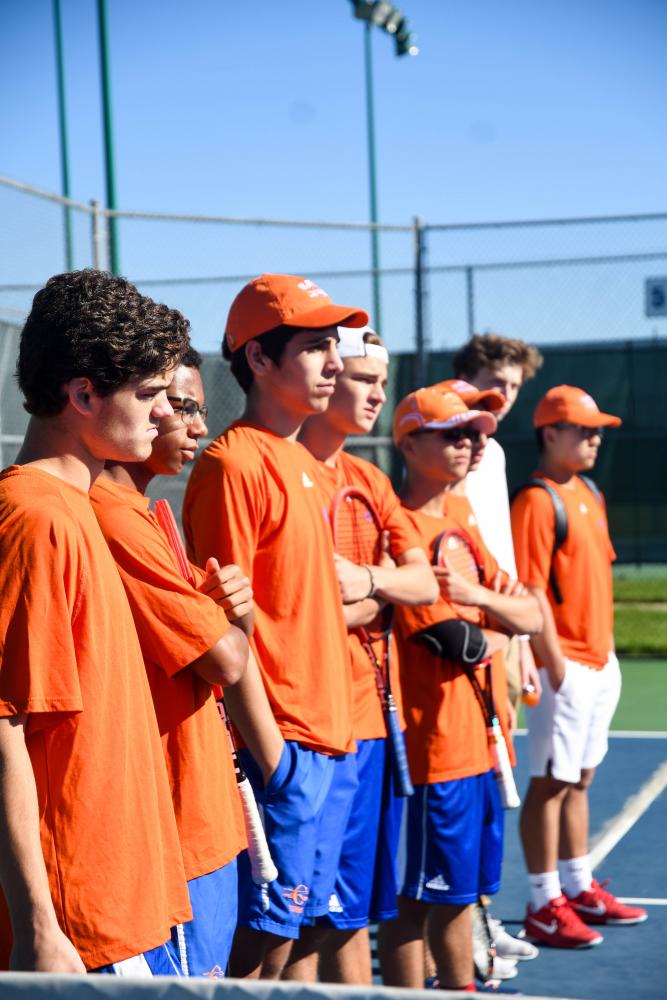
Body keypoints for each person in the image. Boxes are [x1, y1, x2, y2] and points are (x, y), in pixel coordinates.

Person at [0, 269, 192, 975]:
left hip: (119, 906)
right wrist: (39, 928)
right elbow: (4, 729)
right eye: (146, 395)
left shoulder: (79, 507)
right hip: (80, 926)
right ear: (81, 394)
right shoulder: (37, 518)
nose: (164, 414)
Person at [182, 273, 369, 980]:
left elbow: (294, 605)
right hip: (286, 748)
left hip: (329, 739)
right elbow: (226, 629)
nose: (335, 363)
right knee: (254, 952)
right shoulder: (233, 464)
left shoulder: (301, 462)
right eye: (316, 347)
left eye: (335, 346)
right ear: (258, 360)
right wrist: (276, 762)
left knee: (295, 941)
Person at [90, 347, 283, 977]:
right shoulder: (113, 517)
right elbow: (228, 659)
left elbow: (231, 640)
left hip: (202, 817)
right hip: (171, 833)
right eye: (178, 405)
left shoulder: (151, 514)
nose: (198, 426)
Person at [380, 387, 541, 992]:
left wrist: (480, 602)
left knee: (462, 892)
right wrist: (498, 621)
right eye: (453, 432)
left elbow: (532, 616)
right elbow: (458, 644)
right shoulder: (401, 529)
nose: (470, 444)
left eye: (475, 433)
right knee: (421, 900)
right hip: (433, 751)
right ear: (410, 441)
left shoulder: (461, 523)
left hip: (478, 743)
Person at [298, 325, 438, 984]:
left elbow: (421, 582)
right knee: (300, 924)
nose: (375, 395)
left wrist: (367, 583)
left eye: (381, 384)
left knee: (351, 913)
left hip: (368, 723)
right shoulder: (278, 472)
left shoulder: (367, 478)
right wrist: (374, 600)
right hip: (312, 728)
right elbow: (288, 617)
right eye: (361, 379)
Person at [511, 384, 647, 948]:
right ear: (551, 433)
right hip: (562, 665)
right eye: (584, 429)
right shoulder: (538, 501)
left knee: (581, 777)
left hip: (599, 662)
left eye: (598, 431)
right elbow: (530, 589)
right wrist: (555, 663)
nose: (594, 439)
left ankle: (577, 884)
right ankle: (543, 902)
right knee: (550, 782)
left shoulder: (588, 491)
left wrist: (603, 656)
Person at [451, 333, 544, 715]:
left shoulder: (496, 452)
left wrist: (520, 640)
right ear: (464, 378)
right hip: (461, 624)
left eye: (514, 385)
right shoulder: (443, 445)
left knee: (503, 748)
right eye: (496, 382)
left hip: (500, 619)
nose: (505, 394)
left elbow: (501, 546)